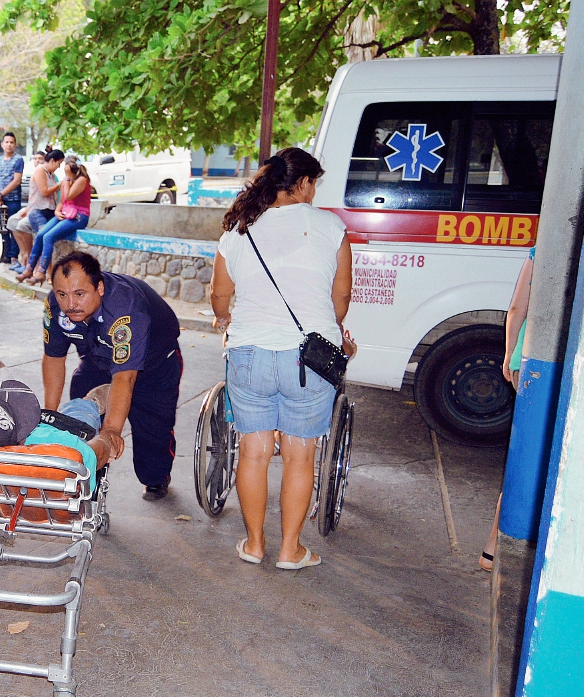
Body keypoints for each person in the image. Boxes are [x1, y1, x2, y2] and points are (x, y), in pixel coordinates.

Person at [209, 147, 353, 571]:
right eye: (314, 184)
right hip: (307, 360)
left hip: (249, 351)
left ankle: (254, 544)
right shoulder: (330, 227)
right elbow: (339, 300)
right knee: (300, 453)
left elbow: (220, 296)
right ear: (304, 183)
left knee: (252, 452)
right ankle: (291, 549)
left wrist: (225, 319)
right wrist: (328, 327)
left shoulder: (238, 230)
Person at [43, 250, 183, 500]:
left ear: (100, 288)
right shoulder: (55, 306)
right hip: (99, 360)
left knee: (152, 433)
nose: (70, 304)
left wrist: (111, 432)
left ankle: (155, 479)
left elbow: (124, 378)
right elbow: (54, 358)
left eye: (79, 294)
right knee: (81, 414)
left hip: (155, 364)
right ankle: (87, 482)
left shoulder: (126, 309)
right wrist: (50, 415)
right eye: (62, 294)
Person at [0, 359, 124, 484]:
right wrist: (107, 438)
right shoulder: (61, 449)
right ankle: (89, 403)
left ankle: (6, 394)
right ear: (20, 440)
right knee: (77, 414)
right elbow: (95, 454)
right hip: (59, 433)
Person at [481, 245, 536, 571]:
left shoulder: (540, 250)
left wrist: (509, 355)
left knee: (524, 457)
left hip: (531, 359)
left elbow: (517, 308)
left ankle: (492, 547)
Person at [25, 155, 91, 286]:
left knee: (49, 237)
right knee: (41, 234)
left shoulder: (81, 180)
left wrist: (66, 179)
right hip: (66, 213)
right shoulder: (67, 181)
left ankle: (41, 272)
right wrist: (57, 211)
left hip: (79, 216)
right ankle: (29, 268)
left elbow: (69, 195)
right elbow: (62, 201)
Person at [10, 149, 64, 275]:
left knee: (45, 237)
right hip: (38, 210)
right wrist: (58, 185)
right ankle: (40, 269)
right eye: (58, 163)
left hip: (49, 211)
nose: (59, 167)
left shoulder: (51, 174)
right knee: (43, 235)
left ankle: (38, 269)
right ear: (52, 161)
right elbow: (44, 191)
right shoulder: (40, 170)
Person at [0, 132, 25, 268]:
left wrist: (1, 194)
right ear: (2, 144)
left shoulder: (18, 160)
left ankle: (14, 255)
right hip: (0, 200)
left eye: (11, 142)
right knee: (3, 227)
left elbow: (16, 180)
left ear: (15, 144)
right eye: (6, 142)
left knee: (13, 227)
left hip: (13, 199)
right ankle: (5, 255)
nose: (9, 145)